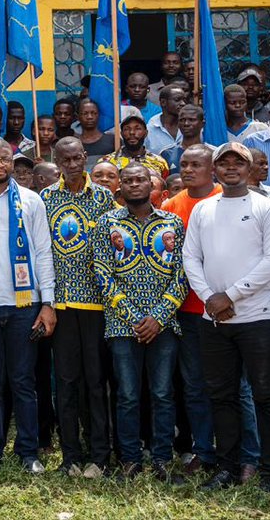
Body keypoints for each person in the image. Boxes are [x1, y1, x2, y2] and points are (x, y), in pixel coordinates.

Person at [181, 142, 270, 495]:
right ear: (215, 169)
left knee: (266, 396)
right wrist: (210, 298)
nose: (230, 168)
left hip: (257, 318)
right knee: (221, 396)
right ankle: (226, 467)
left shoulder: (266, 207)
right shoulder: (203, 209)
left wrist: (231, 295)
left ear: (249, 168)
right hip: (215, 321)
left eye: (237, 163)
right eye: (223, 162)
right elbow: (190, 258)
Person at [0, 139, 55, 474]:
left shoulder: (31, 201)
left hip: (23, 306)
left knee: (23, 381)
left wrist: (48, 304)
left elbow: (43, 254)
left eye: (5, 159)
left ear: (12, 163)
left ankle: (28, 451)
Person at [93, 163, 187, 483]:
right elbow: (103, 276)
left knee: (162, 394)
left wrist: (157, 318)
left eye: (140, 180)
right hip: (123, 327)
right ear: (120, 188)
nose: (135, 185)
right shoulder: (108, 224)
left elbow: (182, 276)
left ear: (152, 185)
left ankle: (161, 458)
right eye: (128, 181)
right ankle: (130, 459)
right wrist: (135, 319)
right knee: (128, 395)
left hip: (164, 326)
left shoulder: (172, 222)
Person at [41, 137, 117, 479]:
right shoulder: (46, 199)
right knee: (66, 380)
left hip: (97, 306)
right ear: (55, 161)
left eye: (77, 158)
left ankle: (100, 455)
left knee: (96, 381)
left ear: (85, 158)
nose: (72, 164)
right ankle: (70, 454)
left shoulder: (104, 198)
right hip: (61, 305)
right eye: (65, 160)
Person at [161, 146, 223, 477]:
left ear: (212, 168)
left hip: (226, 311)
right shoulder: (171, 206)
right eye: (184, 164)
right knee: (194, 385)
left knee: (229, 387)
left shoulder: (224, 199)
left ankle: (235, 450)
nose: (187, 169)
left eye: (196, 164)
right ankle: (203, 451)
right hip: (186, 310)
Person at [97, 114, 169, 178]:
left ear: (146, 133)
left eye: (137, 129)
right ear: (121, 133)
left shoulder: (159, 162)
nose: (132, 132)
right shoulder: (107, 162)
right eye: (127, 129)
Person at [159, 105, 216, 172]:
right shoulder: (166, 154)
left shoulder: (214, 153)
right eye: (182, 120)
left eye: (191, 120)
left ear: (202, 123)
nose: (186, 123)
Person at [146, 84, 186, 155]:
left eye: (184, 100)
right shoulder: (149, 130)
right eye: (177, 100)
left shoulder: (190, 125)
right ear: (163, 102)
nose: (183, 103)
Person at [75, 99, 114, 164]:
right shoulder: (73, 143)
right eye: (85, 113)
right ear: (78, 117)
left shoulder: (112, 140)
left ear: (98, 115)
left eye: (93, 113)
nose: (89, 117)